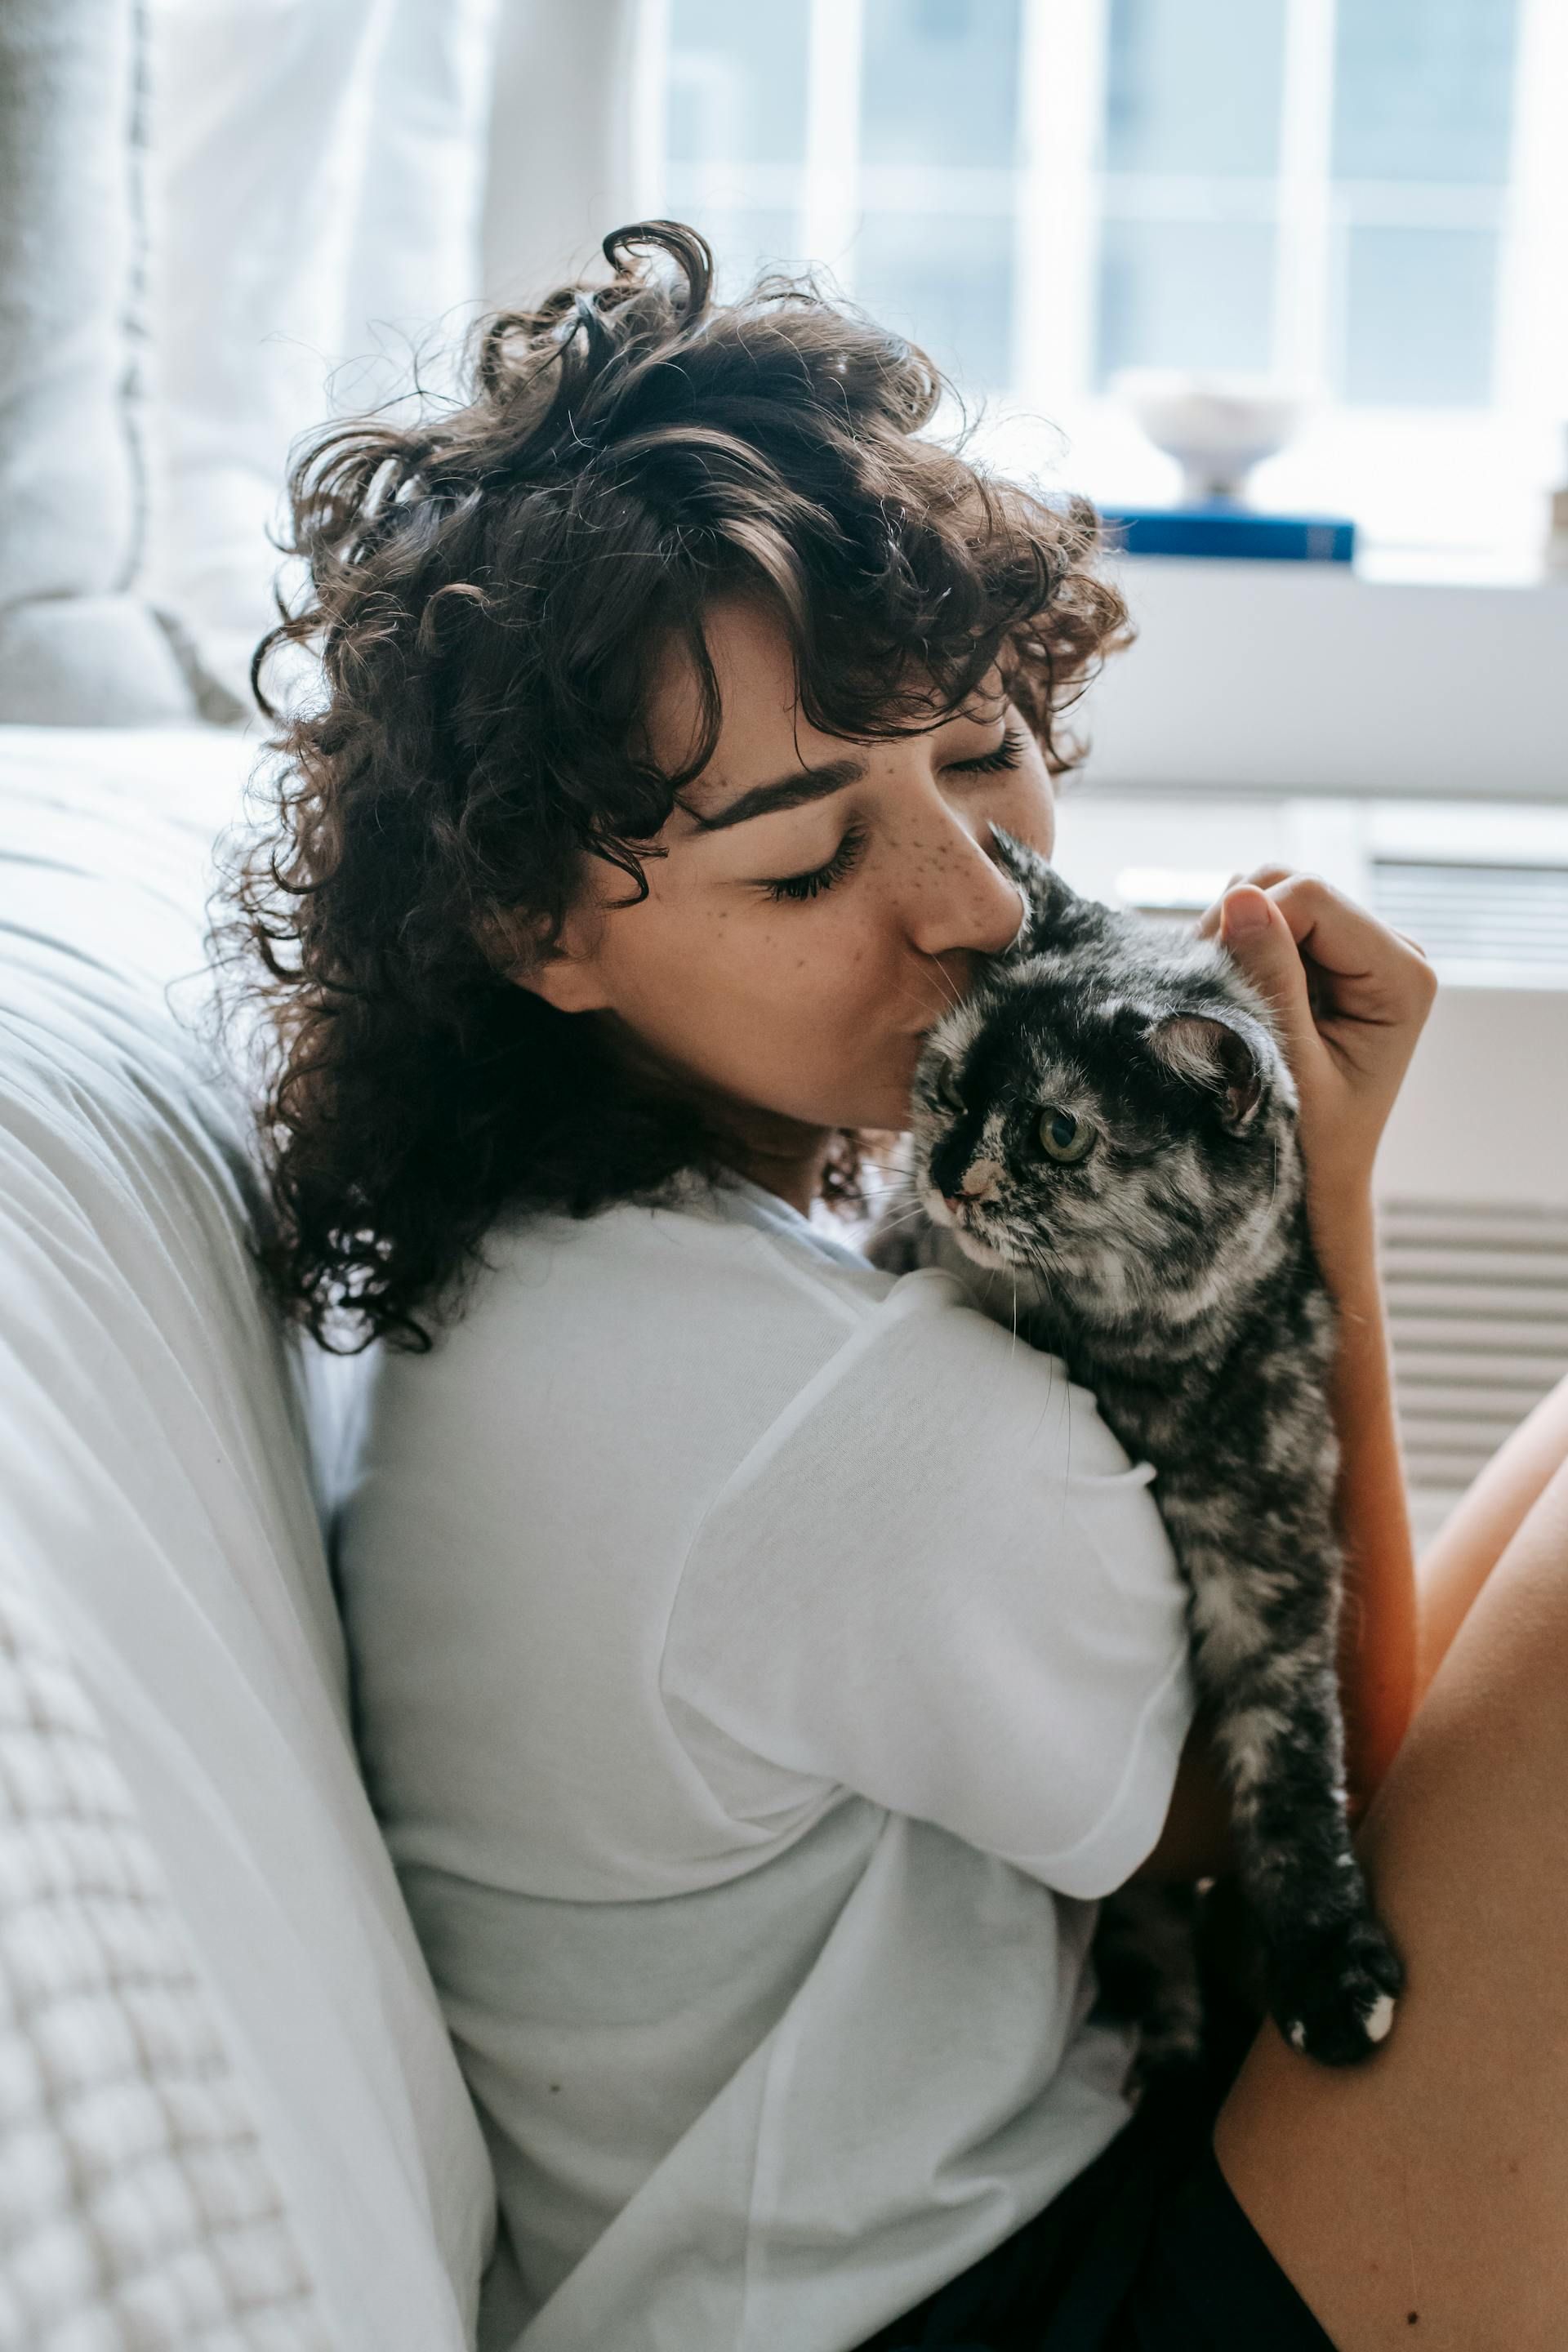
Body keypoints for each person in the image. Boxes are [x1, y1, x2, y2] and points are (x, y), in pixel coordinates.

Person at [210, 222, 1568, 2351]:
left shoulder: (568, 1270)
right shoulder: (817, 1430)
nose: (970, 903)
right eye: (809, 856)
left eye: (988, 746)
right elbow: (1321, 1829)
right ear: (534, 929)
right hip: (984, 2309)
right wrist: (1307, 1210)